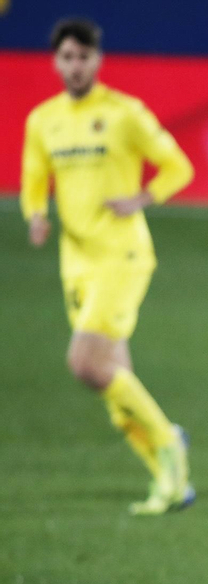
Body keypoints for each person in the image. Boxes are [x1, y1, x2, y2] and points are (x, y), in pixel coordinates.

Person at [21, 17, 195, 515]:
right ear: (56, 62)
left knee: (86, 363)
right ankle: (168, 481)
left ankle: (169, 443)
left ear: (98, 59)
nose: (75, 67)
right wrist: (35, 214)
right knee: (112, 378)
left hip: (123, 253)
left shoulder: (124, 114)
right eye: (67, 58)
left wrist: (143, 196)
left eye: (84, 57)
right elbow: (34, 177)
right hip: (76, 263)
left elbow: (178, 165)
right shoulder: (43, 120)